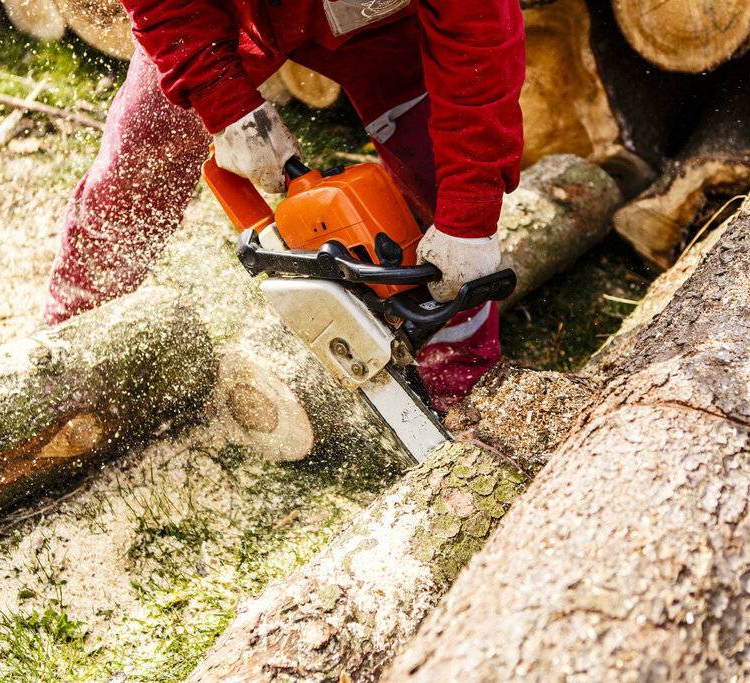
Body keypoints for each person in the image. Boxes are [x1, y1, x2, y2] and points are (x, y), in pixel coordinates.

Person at [45, 0, 525, 412]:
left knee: (441, 187)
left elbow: (479, 38)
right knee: (147, 146)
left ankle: (463, 384)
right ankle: (68, 348)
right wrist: (220, 97)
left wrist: (469, 210)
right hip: (232, 15)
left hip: (389, 22)